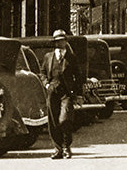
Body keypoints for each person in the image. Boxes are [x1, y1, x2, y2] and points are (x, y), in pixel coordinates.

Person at [41, 30, 83, 159]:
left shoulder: (72, 57)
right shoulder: (48, 57)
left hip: (67, 93)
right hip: (53, 91)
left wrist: (79, 94)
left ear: (66, 42)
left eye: (62, 40)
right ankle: (58, 149)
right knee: (53, 121)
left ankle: (66, 147)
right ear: (55, 43)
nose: (60, 43)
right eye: (58, 41)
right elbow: (42, 72)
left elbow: (79, 76)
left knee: (64, 119)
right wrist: (46, 84)